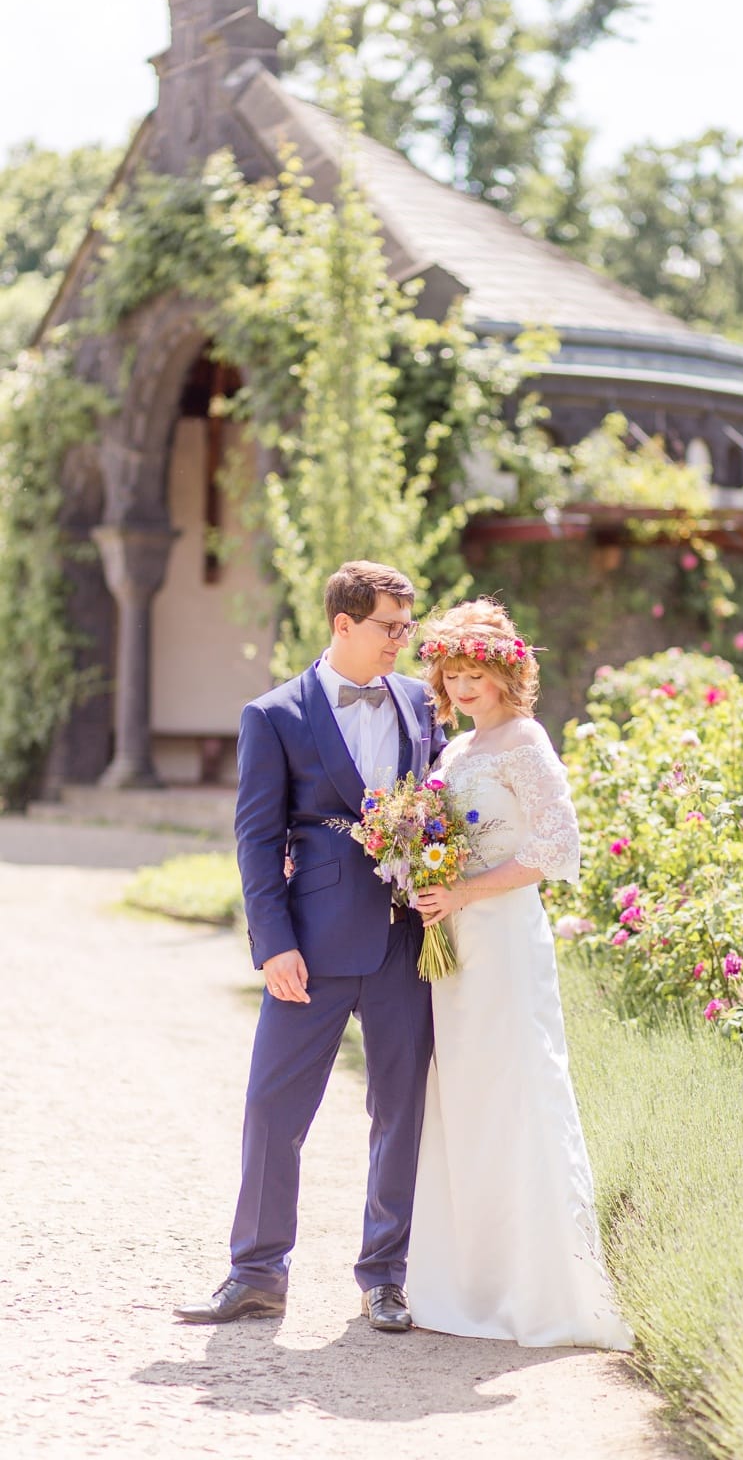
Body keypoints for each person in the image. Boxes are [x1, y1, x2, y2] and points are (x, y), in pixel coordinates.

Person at [175, 560, 445, 1332]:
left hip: (404, 943)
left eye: (408, 625)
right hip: (312, 948)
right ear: (344, 624)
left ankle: (385, 1277)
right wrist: (273, 945)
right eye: (392, 626)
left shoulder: (424, 705)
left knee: (399, 1110)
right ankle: (257, 1273)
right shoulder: (274, 715)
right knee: (272, 1109)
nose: (404, 639)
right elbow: (257, 841)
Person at [409, 600, 633, 1349]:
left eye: (475, 673)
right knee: (465, 1096)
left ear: (506, 672)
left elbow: (556, 848)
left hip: (502, 938)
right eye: (452, 674)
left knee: (514, 1089)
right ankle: (465, 1280)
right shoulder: (455, 749)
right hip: (454, 943)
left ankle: (535, 1288)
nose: (464, 686)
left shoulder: (525, 741)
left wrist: (465, 891)